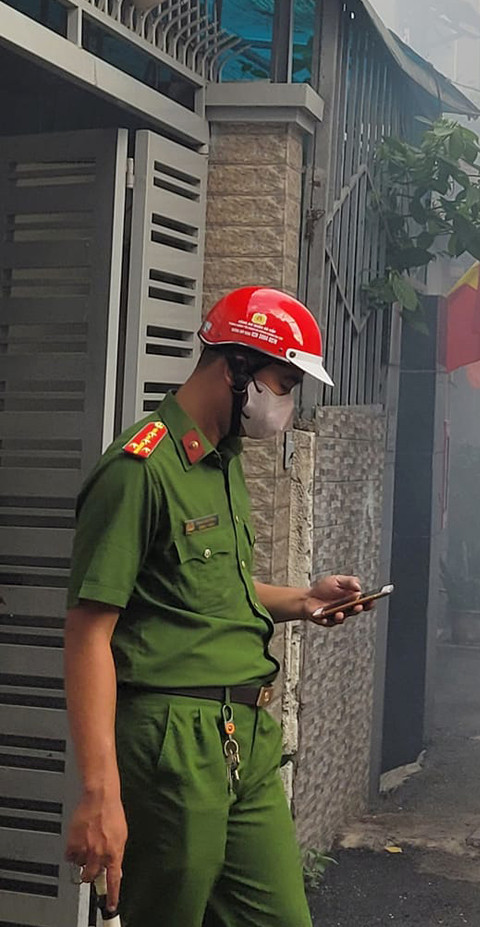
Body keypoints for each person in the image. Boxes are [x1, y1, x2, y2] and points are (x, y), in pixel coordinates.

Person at [62, 287, 373, 925]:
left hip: (247, 736)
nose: (286, 403)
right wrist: (100, 792)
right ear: (234, 367)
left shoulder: (223, 460)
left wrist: (304, 599)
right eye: (283, 382)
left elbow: (208, 592)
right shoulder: (138, 470)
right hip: (174, 744)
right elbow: (88, 634)